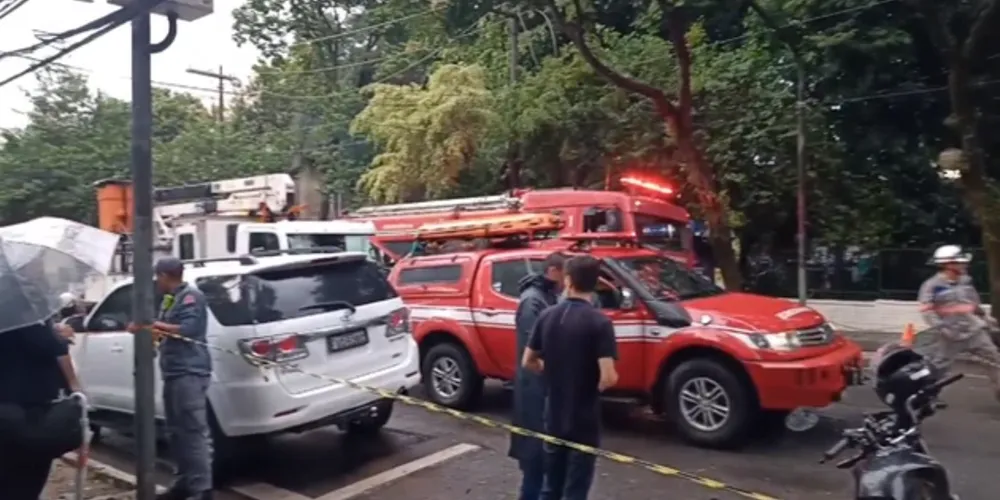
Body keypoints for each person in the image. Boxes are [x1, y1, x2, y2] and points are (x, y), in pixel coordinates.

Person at [522, 255, 619, 500]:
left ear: (568, 281)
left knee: (551, 486)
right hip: (584, 420)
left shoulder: (547, 316)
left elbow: (528, 361)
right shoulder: (600, 322)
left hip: (553, 414)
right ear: (595, 284)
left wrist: (552, 369)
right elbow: (608, 377)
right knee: (576, 488)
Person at [128, 257, 213, 500]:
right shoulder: (171, 298)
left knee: (193, 431)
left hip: (190, 372)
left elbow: (189, 330)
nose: (157, 281)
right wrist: (152, 333)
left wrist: (150, 324)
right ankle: (184, 482)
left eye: (158, 277)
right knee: (177, 431)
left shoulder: (191, 297)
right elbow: (165, 329)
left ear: (165, 275)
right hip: (173, 371)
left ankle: (202, 489)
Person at [0, 319, 83, 499]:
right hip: (30, 408)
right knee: (26, 478)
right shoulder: (29, 319)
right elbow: (57, 351)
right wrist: (75, 387)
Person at [509, 252, 566, 500]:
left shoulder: (547, 296)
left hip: (543, 388)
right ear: (553, 271)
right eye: (565, 275)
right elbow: (532, 349)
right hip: (534, 390)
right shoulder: (533, 301)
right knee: (536, 462)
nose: (566, 281)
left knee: (545, 463)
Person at [917, 244, 1000, 402]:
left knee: (994, 360)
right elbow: (927, 310)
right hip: (949, 334)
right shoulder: (932, 285)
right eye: (960, 262)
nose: (964, 265)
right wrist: (941, 328)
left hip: (973, 331)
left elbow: (974, 304)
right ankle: (927, 396)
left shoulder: (965, 282)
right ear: (948, 264)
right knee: (939, 366)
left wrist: (986, 319)